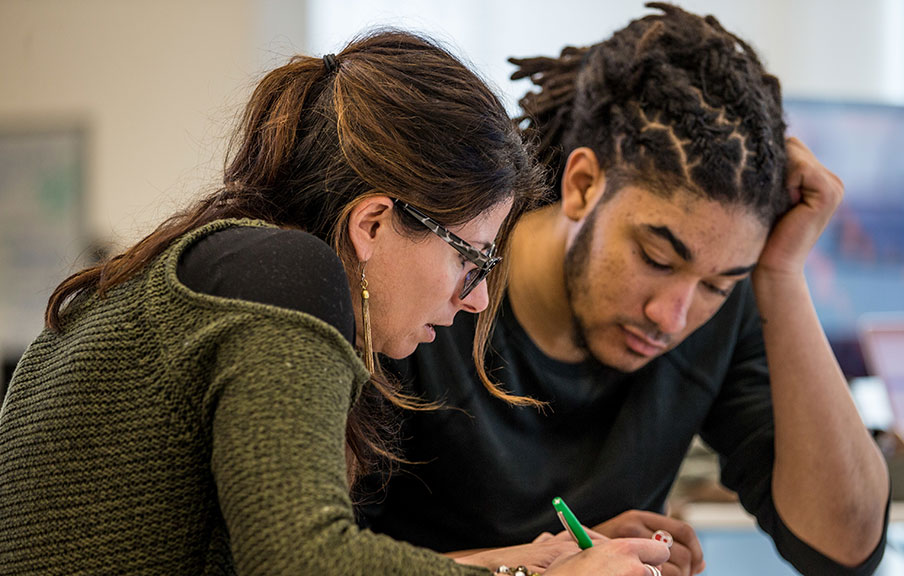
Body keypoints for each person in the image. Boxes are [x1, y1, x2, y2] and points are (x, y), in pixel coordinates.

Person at [0, 30, 673, 575]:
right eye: (471, 259)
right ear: (373, 224)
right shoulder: (288, 274)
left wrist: (522, 563)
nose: (476, 300)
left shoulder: (209, 269)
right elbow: (301, 561)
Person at [356, 5, 891, 576]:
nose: (672, 316)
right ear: (583, 185)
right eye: (657, 258)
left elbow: (845, 547)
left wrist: (782, 277)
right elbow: (297, 559)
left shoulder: (719, 313)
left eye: (718, 283)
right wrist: (541, 566)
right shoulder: (424, 288)